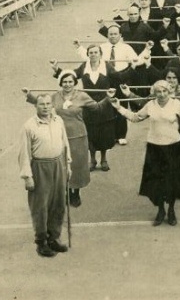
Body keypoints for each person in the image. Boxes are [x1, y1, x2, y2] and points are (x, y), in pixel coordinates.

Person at [110, 81, 180, 226]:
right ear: (154, 92)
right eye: (159, 91)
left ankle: (171, 210)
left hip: (173, 148)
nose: (162, 94)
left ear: (169, 91)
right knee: (157, 182)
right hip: (155, 148)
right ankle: (160, 211)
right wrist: (119, 107)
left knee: (172, 181)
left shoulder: (175, 103)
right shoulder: (150, 105)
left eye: (165, 91)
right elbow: (135, 117)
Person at [24, 71, 115, 207]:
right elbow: (41, 103)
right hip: (58, 135)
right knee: (62, 166)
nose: (67, 84)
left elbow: (97, 108)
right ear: (61, 83)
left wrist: (108, 98)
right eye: (65, 82)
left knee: (77, 166)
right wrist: (28, 94)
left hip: (78, 136)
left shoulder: (82, 96)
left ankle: (75, 194)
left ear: (74, 83)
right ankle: (65, 192)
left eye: (70, 82)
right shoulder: (55, 96)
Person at [19, 93, 72, 257]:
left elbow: (65, 143)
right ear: (36, 106)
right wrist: (28, 177)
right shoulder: (29, 126)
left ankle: (53, 238)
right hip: (39, 167)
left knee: (58, 203)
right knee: (40, 207)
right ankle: (41, 242)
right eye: (42, 104)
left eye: (48, 104)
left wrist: (68, 164)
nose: (46, 107)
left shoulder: (58, 121)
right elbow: (24, 154)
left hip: (58, 165)